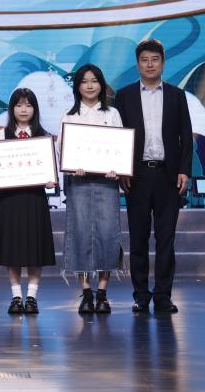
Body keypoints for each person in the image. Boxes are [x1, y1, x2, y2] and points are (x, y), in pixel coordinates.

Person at [113, 39, 193, 315]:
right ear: (138, 64)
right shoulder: (124, 96)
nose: (149, 65)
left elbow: (186, 136)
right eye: (144, 60)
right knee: (138, 238)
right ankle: (141, 296)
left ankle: (163, 296)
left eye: (154, 59)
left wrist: (184, 170)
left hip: (168, 176)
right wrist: (122, 169)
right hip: (136, 176)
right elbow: (118, 137)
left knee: (165, 239)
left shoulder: (176, 95)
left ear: (163, 63)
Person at [61, 63, 125, 315]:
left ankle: (103, 293)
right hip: (78, 183)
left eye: (94, 81)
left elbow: (120, 147)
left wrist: (116, 168)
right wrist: (71, 166)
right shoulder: (69, 116)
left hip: (107, 183)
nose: (89, 86)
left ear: (101, 84)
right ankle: (86, 292)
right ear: (77, 86)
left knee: (108, 234)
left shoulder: (113, 114)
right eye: (84, 81)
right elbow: (62, 151)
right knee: (79, 233)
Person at [0, 88, 57, 315]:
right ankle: (16, 296)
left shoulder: (44, 137)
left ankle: (32, 297)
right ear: (12, 109)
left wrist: (50, 180)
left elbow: (51, 173)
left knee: (35, 249)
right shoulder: (1, 135)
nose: (23, 110)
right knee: (12, 249)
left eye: (28, 105)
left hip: (35, 199)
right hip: (9, 200)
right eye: (19, 105)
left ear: (35, 109)